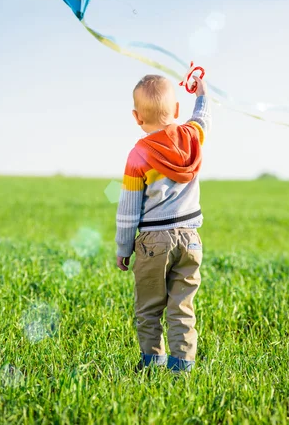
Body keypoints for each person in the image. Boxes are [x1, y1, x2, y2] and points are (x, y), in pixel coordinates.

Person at [115, 73, 211, 373]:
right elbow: (203, 117)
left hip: (154, 242)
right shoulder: (193, 137)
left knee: (149, 309)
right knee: (182, 307)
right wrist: (203, 93)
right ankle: (182, 367)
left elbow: (129, 208)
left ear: (136, 117)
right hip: (191, 239)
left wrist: (123, 246)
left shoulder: (138, 155)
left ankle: (151, 363)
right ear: (177, 110)